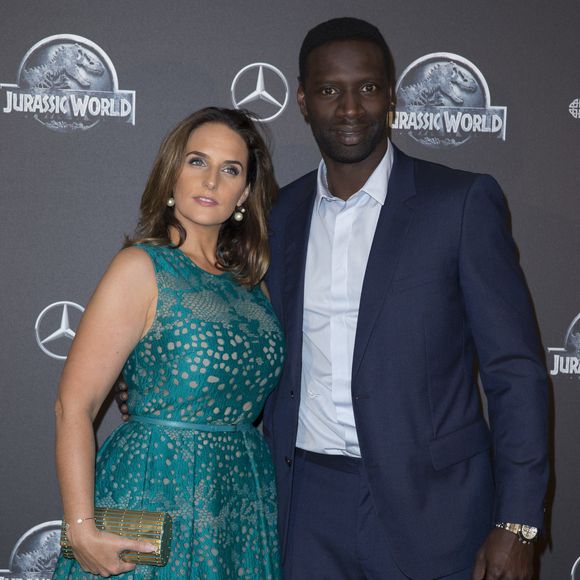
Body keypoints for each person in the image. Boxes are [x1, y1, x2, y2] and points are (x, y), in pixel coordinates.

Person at [261, 18, 549, 580]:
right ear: (300, 99)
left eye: (366, 87)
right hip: (305, 506)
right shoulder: (279, 216)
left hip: (434, 508)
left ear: (390, 96)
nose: (349, 108)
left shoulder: (460, 203)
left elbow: (514, 370)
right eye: (328, 90)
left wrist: (517, 522)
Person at [53, 107, 285, 579]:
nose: (211, 181)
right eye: (197, 162)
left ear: (244, 192)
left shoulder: (253, 285)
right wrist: (80, 529)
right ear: (172, 173)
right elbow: (73, 406)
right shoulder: (140, 268)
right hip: (153, 491)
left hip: (241, 501)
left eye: (231, 169)